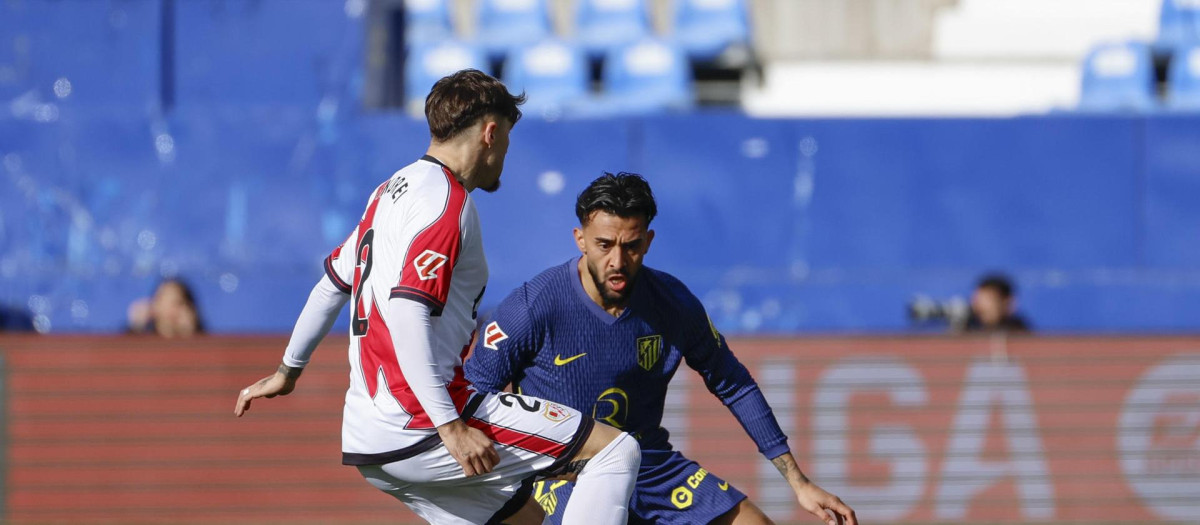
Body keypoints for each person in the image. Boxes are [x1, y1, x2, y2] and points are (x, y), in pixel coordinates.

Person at [233, 70, 639, 525]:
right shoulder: (445, 203)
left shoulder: (387, 194)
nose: (505, 152)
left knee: (525, 518)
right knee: (616, 451)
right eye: (506, 137)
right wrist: (451, 428)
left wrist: (288, 370)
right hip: (422, 422)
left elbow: (331, 284)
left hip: (370, 439)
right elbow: (408, 312)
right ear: (490, 132)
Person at [464, 173, 857, 525]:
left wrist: (798, 481)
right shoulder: (533, 306)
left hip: (650, 466)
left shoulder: (673, 303)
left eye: (631, 246)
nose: (617, 261)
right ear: (579, 239)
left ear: (648, 241)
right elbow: (474, 392)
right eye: (603, 245)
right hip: (564, 473)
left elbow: (733, 383)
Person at [127, 278, 205, 337]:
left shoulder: (199, 336)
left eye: (177, 303)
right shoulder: (142, 335)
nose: (169, 309)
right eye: (161, 299)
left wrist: (189, 331)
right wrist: (136, 327)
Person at [963, 273, 1030, 333]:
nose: (980, 307)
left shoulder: (1021, 334)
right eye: (977, 301)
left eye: (988, 299)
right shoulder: (968, 329)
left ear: (1007, 302)